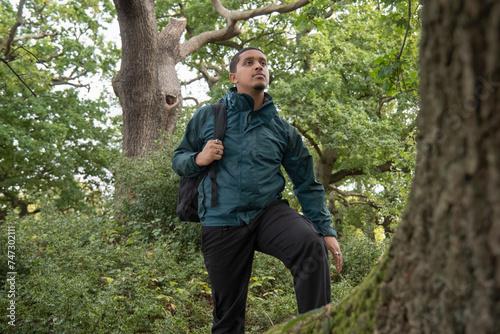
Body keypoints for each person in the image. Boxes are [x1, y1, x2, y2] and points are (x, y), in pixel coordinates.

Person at [172, 47, 342, 333]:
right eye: (249, 62)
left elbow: (306, 182)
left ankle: (316, 328)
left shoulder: (281, 129)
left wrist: (325, 229)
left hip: (267, 213)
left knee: (310, 245)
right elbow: (179, 159)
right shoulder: (207, 116)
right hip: (221, 219)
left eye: (263, 62)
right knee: (228, 318)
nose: (258, 67)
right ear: (233, 76)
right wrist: (198, 158)